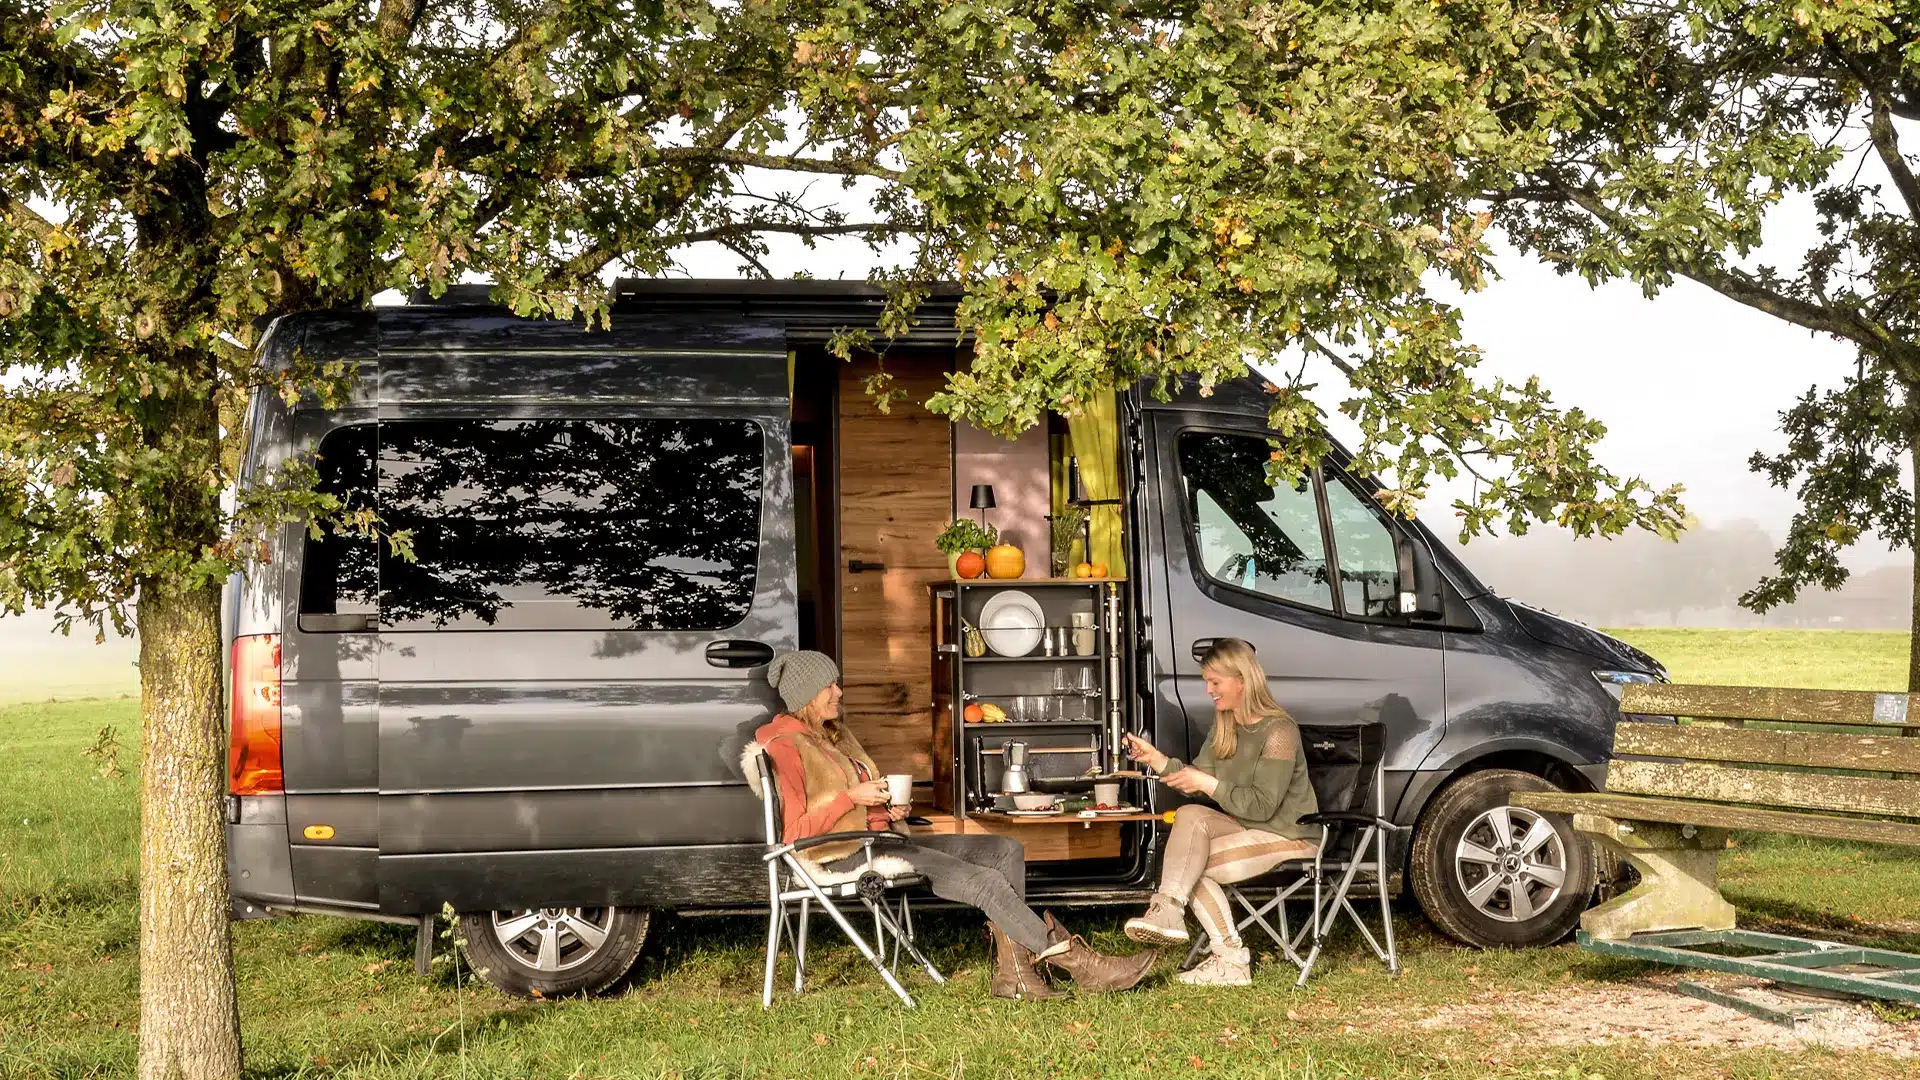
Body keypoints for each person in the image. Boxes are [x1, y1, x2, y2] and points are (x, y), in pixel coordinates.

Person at [754, 649, 1155, 1000]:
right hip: (842, 853)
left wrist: (886, 811)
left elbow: (857, 805)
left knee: (1004, 850)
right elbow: (796, 835)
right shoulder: (788, 746)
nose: (839, 692)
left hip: (881, 838)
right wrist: (853, 799)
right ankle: (1080, 963)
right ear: (807, 696)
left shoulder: (833, 736)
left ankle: (1016, 974)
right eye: (830, 686)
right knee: (987, 883)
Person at [1120, 637, 1317, 986]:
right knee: (1190, 815)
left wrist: (1208, 784)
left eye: (1215, 682)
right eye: (1207, 682)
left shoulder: (1279, 731)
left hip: (1291, 835)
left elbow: (1262, 805)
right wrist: (1157, 760)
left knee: (1191, 866)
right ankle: (1169, 910)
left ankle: (1231, 959)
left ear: (1241, 680)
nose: (1209, 690)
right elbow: (1196, 777)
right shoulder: (1225, 726)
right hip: (1247, 828)